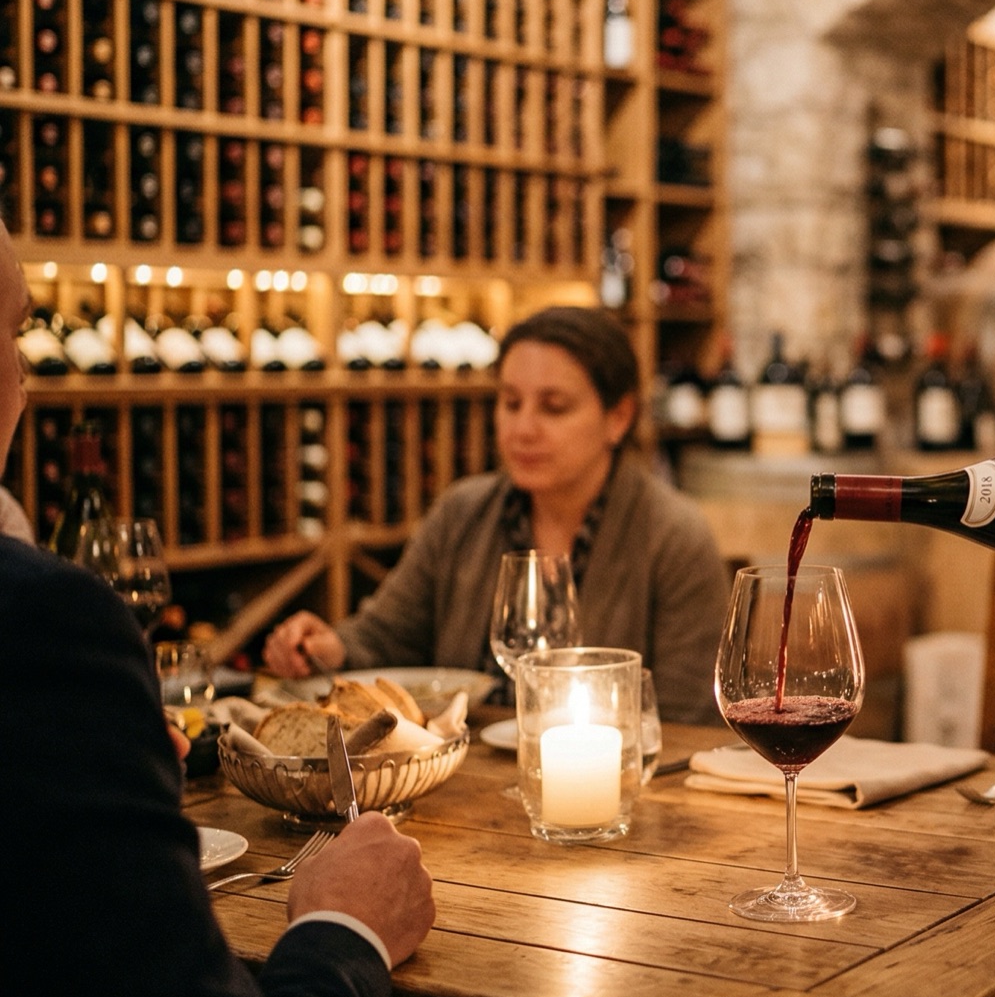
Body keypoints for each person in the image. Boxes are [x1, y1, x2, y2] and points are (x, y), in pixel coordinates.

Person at [0, 219, 438, 997]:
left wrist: (98, 781)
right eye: (15, 332)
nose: (24, 377)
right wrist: (349, 929)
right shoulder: (40, 623)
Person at [264, 307, 728, 725]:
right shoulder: (462, 513)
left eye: (554, 407)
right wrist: (328, 648)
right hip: (461, 786)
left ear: (618, 417)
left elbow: (686, 718)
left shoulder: (672, 536)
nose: (523, 428)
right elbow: (387, 638)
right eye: (510, 402)